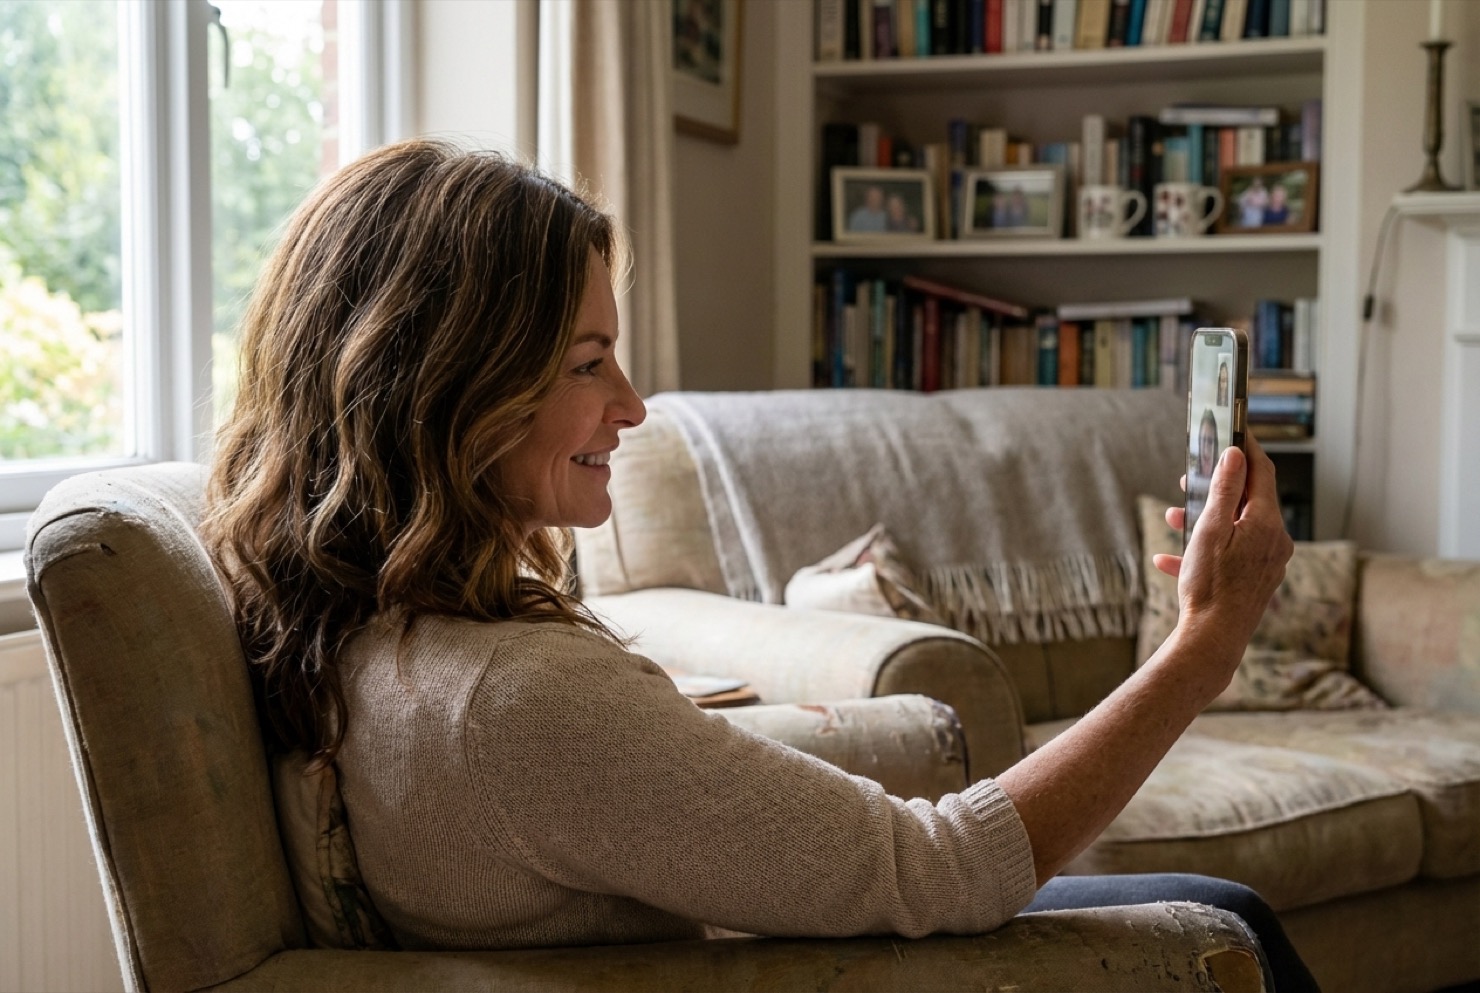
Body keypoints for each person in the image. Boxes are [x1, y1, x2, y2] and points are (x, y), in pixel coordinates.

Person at [201, 140, 1314, 989]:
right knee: (1231, 919)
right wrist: (1203, 641)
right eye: (591, 363)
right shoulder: (514, 700)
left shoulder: (352, 627)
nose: (633, 405)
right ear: (456, 393)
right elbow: (945, 872)